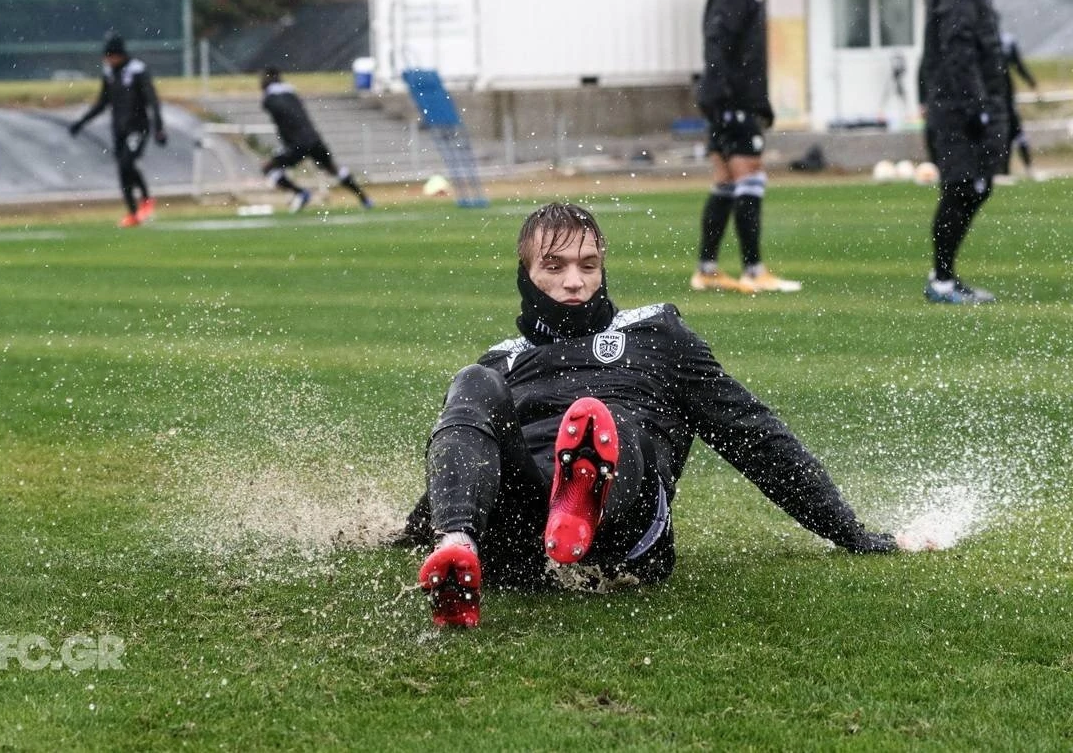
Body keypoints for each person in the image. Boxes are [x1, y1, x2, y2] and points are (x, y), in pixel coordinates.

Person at [399, 203, 897, 628]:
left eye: (588, 265)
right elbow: (463, 452)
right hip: (523, 543)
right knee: (472, 382)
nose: (574, 282)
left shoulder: (656, 334)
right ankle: (459, 545)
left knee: (608, 420)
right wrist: (419, 528)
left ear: (602, 269)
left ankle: (583, 498)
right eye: (554, 267)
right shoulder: (502, 359)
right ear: (525, 275)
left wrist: (846, 529)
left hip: (624, 534)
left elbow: (751, 434)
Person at [690, 0, 800, 295]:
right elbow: (718, 42)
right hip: (732, 99)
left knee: (724, 182)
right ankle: (754, 270)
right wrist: (727, 97)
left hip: (729, 98)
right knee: (750, 175)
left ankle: (707, 270)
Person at [917, 0, 1007, 304]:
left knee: (974, 187)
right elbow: (957, 48)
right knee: (962, 187)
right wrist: (976, 106)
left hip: (958, 102)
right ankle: (941, 280)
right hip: (957, 107)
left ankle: (944, 276)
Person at [69, 32, 167, 228]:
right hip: (118, 129)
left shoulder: (138, 70)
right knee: (122, 171)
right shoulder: (109, 73)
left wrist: (159, 127)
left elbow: (152, 100)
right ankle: (133, 214)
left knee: (127, 163)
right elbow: (102, 102)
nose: (108, 60)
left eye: (110, 55)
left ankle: (146, 199)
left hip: (138, 127)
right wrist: (81, 122)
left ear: (119, 54)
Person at [259, 67, 373, 213]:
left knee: (268, 168)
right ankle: (365, 199)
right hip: (313, 139)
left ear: (267, 79)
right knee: (333, 169)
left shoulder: (270, 99)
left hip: (296, 144)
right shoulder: (291, 93)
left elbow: (274, 107)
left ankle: (300, 193)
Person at [1001, 31, 1038, 179]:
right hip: (990, 97)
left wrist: (1030, 81)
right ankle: (1002, 171)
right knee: (1003, 133)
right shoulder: (981, 39)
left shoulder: (1004, 41)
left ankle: (1025, 169)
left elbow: (1018, 64)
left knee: (1013, 131)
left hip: (1004, 96)